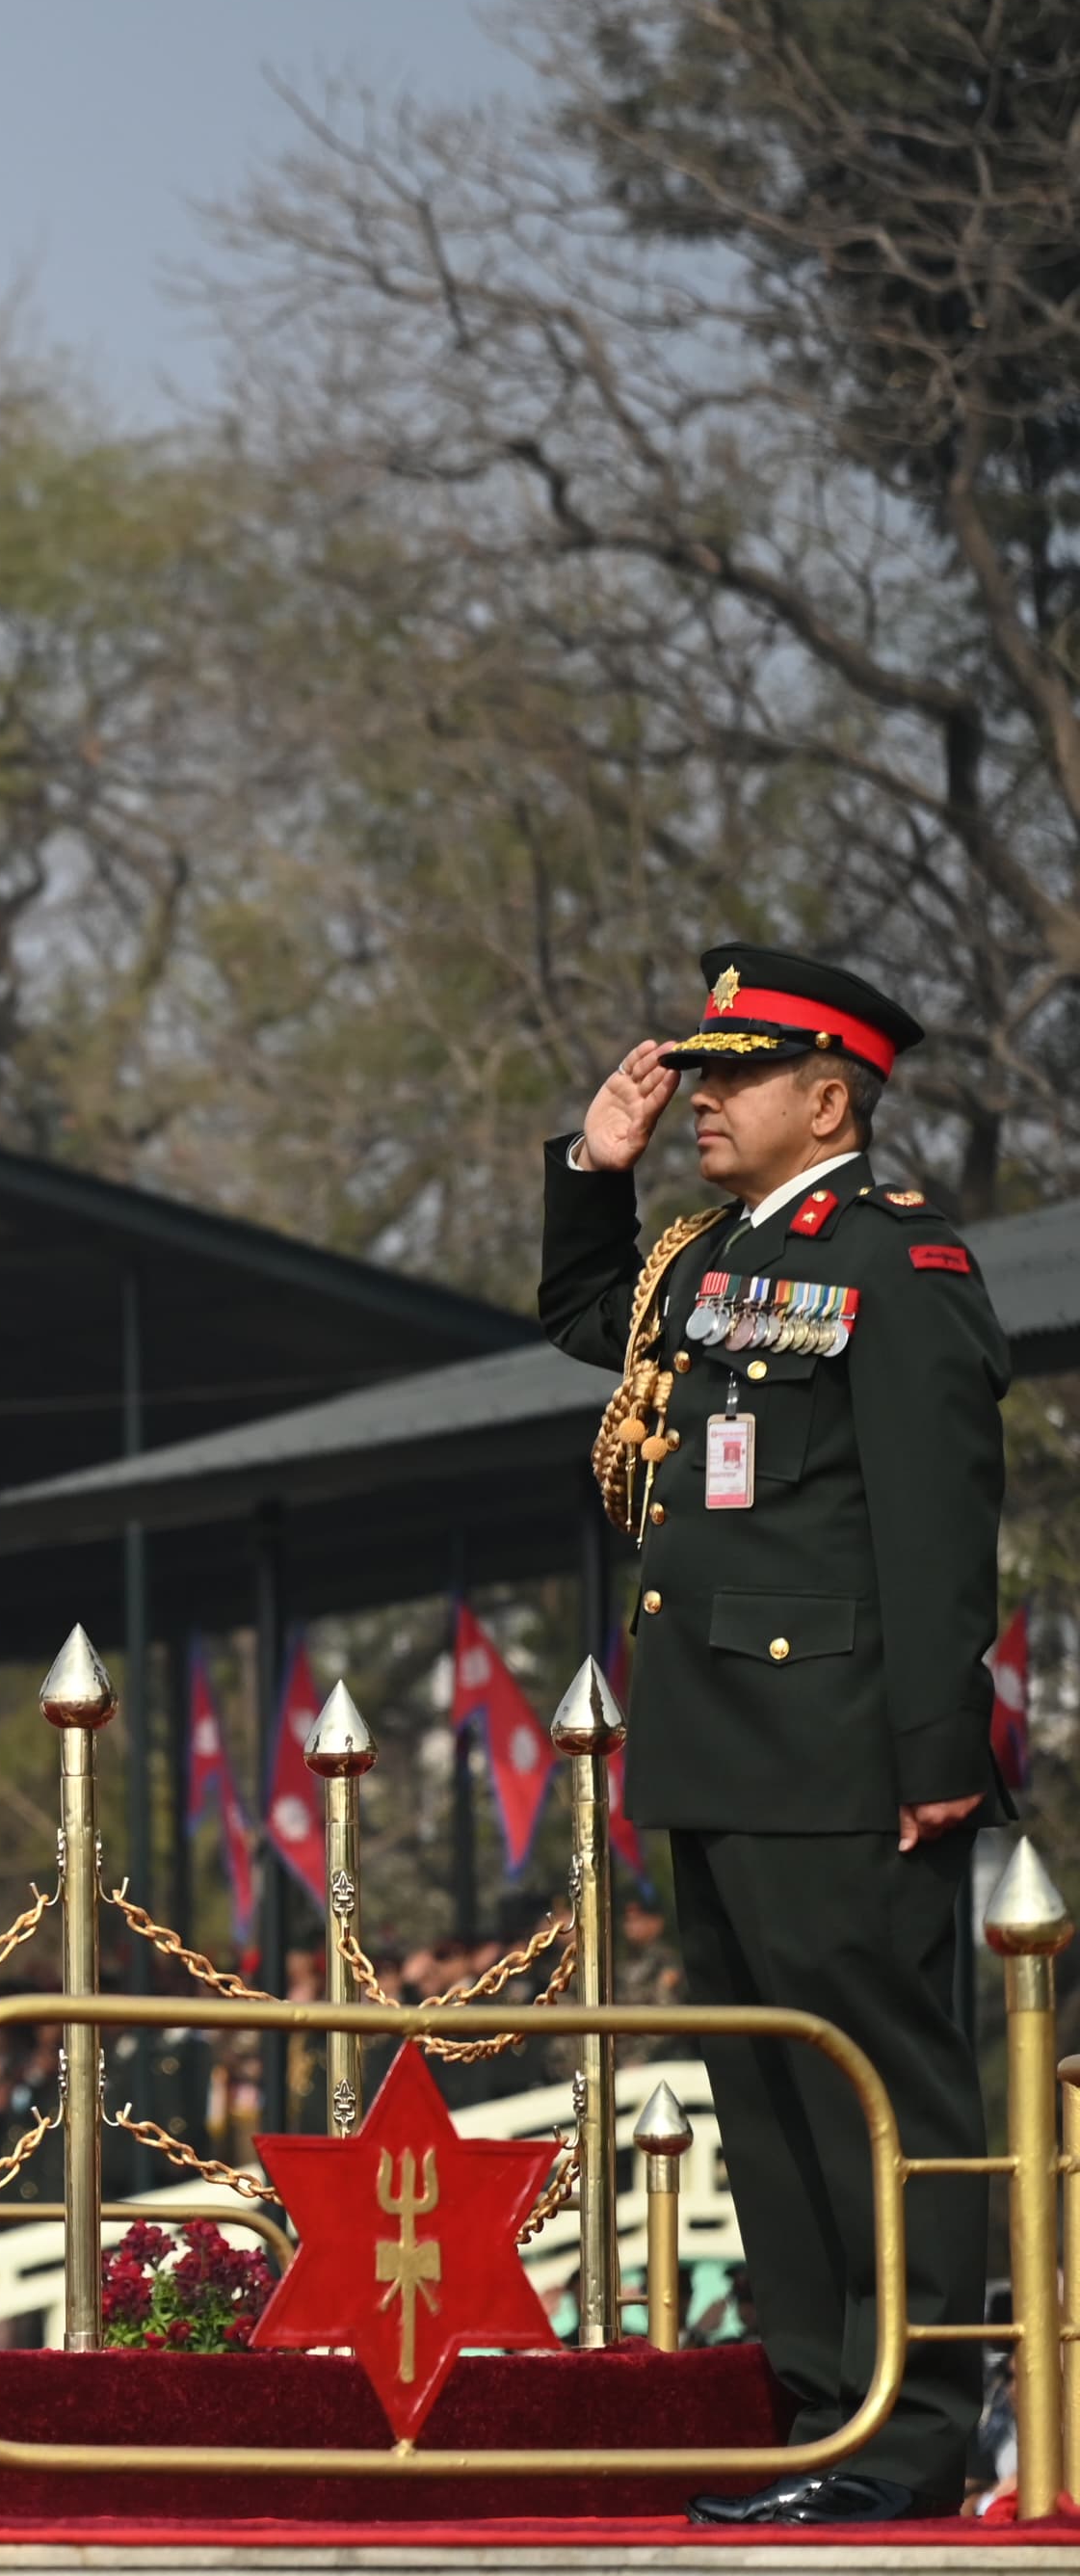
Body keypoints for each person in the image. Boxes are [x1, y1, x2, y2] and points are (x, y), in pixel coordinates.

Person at [546, 943, 1007, 2526]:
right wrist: (589, 1173)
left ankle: (915, 2431)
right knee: (767, 2099)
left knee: (882, 2094)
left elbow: (944, 1525)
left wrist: (938, 1750)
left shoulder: (897, 1264)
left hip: (841, 1753)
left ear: (829, 1097)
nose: (698, 1099)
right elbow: (591, 1324)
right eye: (698, 1072)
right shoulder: (701, 1253)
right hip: (713, 1741)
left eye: (732, 1076)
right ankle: (826, 2412)